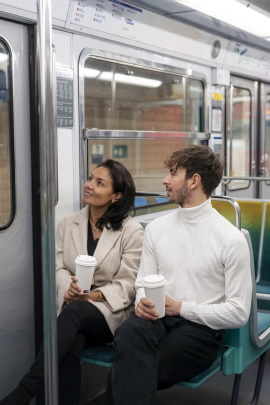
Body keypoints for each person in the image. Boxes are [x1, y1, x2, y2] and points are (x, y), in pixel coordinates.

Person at [103, 145, 252, 405]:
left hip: (200, 330)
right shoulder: (157, 229)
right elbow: (142, 283)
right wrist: (142, 301)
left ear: (195, 181)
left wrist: (181, 308)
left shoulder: (231, 239)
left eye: (173, 173)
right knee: (128, 332)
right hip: (157, 317)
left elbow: (238, 312)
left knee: (133, 367)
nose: (165, 180)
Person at [0, 159, 144, 405]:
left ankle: (23, 392)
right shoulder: (69, 223)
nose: (89, 185)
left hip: (110, 312)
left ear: (116, 196)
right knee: (70, 344)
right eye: (90, 179)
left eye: (100, 183)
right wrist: (69, 288)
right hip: (74, 308)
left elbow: (129, 284)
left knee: (73, 312)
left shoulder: (131, 231)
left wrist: (92, 296)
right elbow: (57, 267)